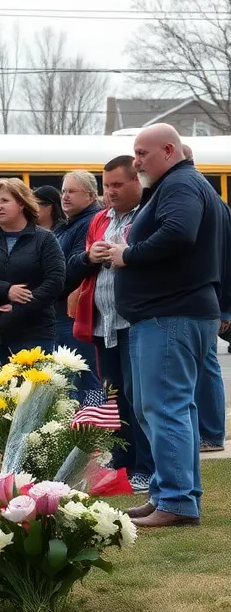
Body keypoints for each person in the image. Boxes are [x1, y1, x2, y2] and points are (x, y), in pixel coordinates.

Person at [104, 123, 223, 528]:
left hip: (169, 315)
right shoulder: (182, 184)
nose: (135, 162)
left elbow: (178, 233)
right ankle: (170, 495)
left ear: (169, 150)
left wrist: (128, 255)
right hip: (171, 313)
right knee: (172, 409)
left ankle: (175, 501)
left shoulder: (180, 186)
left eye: (141, 153)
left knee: (165, 408)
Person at [69, 156, 153, 493]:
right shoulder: (100, 219)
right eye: (107, 186)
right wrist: (91, 257)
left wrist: (125, 254)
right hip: (104, 322)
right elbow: (77, 264)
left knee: (139, 397)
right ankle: (123, 463)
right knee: (113, 397)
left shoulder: (147, 214)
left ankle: (147, 466)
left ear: (137, 182)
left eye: (117, 185)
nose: (111, 192)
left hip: (136, 321)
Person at [0, 178, 65, 370]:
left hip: (34, 332)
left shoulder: (45, 240)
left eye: (5, 201)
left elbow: (55, 282)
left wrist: (19, 308)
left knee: (32, 397)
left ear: (22, 203)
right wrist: (6, 290)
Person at [184, 144, 228, 454]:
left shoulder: (202, 201)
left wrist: (225, 306)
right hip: (208, 298)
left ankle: (212, 432)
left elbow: (225, 260)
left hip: (207, 298)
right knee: (202, 365)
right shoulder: (212, 200)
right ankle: (209, 431)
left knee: (205, 365)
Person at [51, 171, 102, 393]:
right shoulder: (67, 225)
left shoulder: (90, 222)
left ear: (91, 196)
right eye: (63, 191)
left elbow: (73, 267)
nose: (65, 196)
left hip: (77, 313)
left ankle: (89, 427)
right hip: (60, 311)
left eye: (72, 191)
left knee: (82, 380)